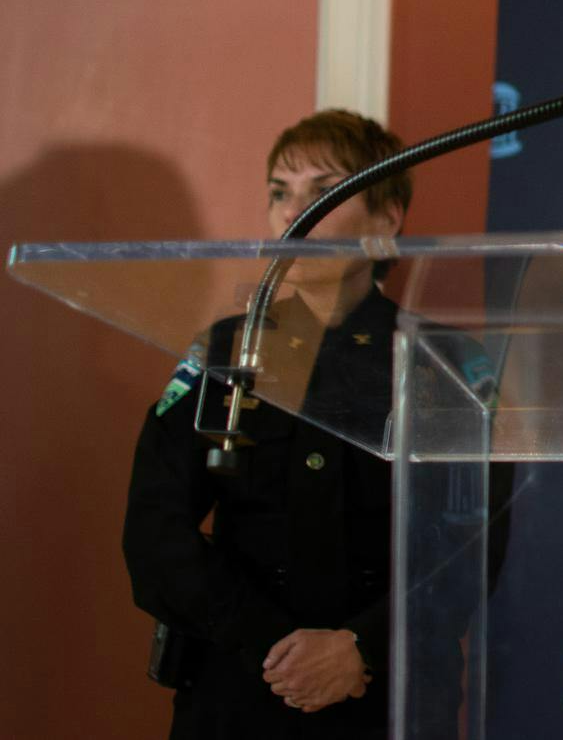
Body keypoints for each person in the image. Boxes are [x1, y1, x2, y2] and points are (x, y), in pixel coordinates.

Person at [122, 110, 412, 738]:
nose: (294, 214)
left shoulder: (437, 359)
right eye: (281, 193)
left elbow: (474, 545)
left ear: (387, 222)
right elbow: (154, 530)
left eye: (324, 192)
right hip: (238, 692)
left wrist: (359, 647)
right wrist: (276, 648)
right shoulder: (225, 351)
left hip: (384, 695)